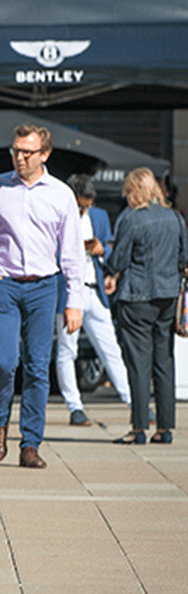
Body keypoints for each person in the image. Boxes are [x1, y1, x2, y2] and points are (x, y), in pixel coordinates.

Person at [0, 124, 82, 470]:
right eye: (15, 150)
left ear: (44, 154)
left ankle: (30, 443)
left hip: (44, 286)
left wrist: (74, 300)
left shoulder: (61, 194)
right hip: (4, 283)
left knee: (37, 367)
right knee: (3, 361)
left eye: (26, 152)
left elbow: (73, 252)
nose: (19, 157)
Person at [105, 167, 186, 445]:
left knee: (138, 364)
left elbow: (119, 261)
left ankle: (139, 428)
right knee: (164, 362)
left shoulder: (132, 220)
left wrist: (108, 265)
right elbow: (183, 257)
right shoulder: (175, 218)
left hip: (137, 296)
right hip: (167, 297)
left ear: (134, 192)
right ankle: (165, 428)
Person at [53, 175, 131, 425]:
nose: (83, 210)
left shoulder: (97, 216)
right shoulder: (58, 214)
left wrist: (102, 250)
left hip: (93, 288)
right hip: (67, 291)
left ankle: (133, 401)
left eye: (86, 205)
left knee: (110, 348)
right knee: (67, 350)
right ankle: (75, 406)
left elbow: (109, 247)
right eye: (79, 205)